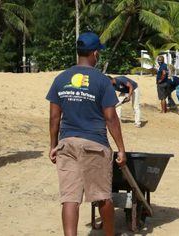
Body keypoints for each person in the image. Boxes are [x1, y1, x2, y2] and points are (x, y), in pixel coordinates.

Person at [46, 32, 127, 236]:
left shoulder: (61, 79)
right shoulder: (101, 81)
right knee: (102, 197)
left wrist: (53, 145)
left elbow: (54, 117)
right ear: (95, 53)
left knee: (70, 199)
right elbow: (111, 118)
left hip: (67, 144)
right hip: (94, 145)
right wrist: (121, 149)